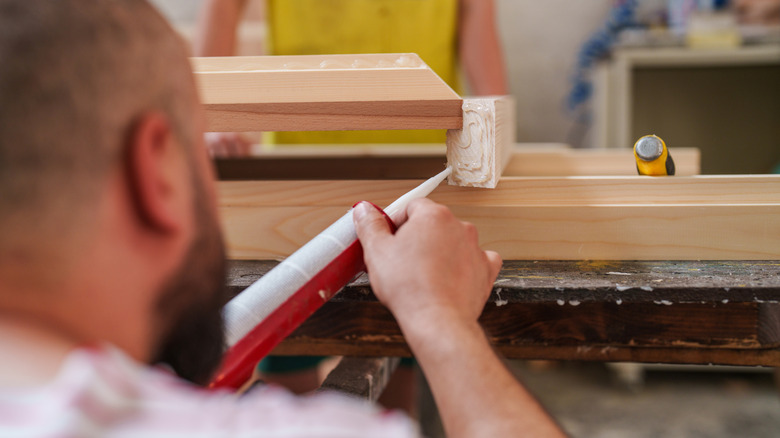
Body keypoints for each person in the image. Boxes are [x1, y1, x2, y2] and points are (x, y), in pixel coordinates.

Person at [0, 0, 564, 436]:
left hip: (417, 175)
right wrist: (442, 320)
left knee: (398, 366)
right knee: (300, 357)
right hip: (307, 178)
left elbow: (489, 81)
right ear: (159, 173)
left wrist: (494, 143)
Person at [195, 0, 509, 155]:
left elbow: (475, 14)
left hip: (425, 149)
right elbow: (222, 5)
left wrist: (496, 129)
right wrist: (208, 119)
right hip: (302, 150)